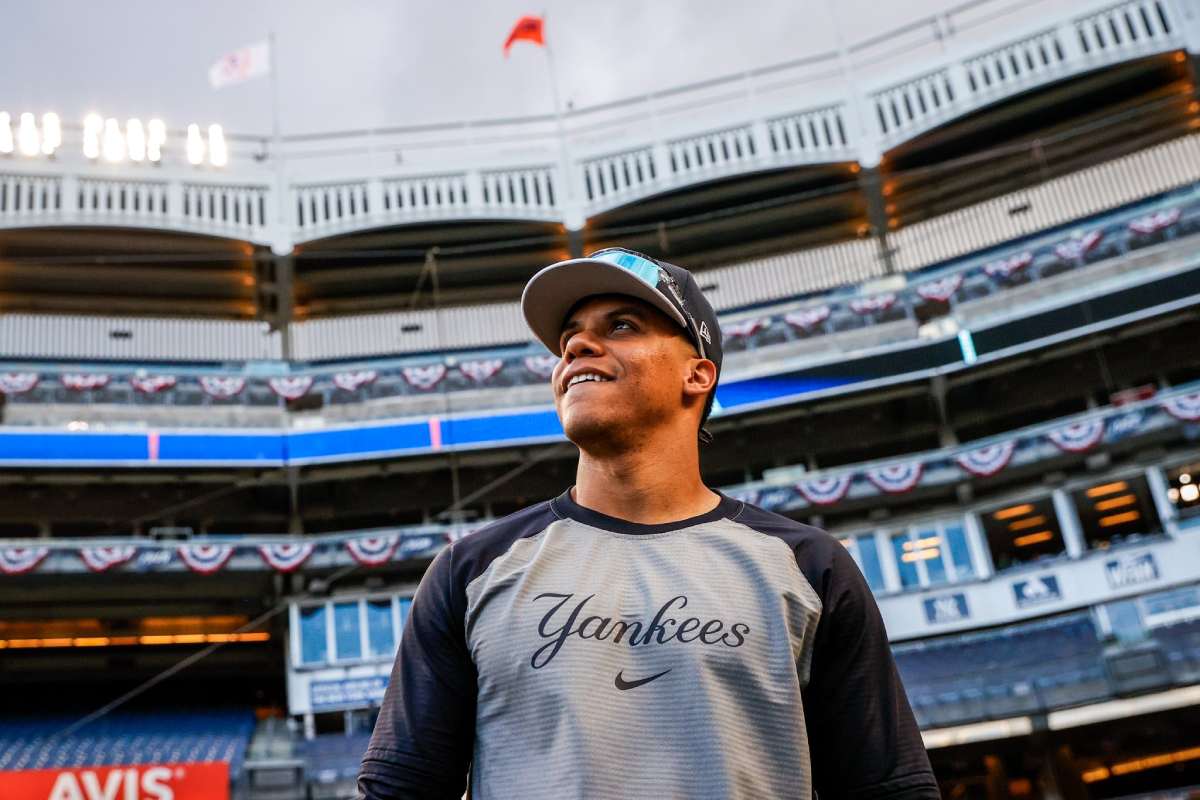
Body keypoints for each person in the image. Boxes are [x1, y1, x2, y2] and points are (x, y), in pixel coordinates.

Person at [359, 247, 939, 799]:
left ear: (698, 375)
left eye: (622, 327)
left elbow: (887, 788)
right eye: (568, 339)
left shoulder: (810, 567)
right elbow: (400, 790)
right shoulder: (469, 572)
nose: (577, 348)